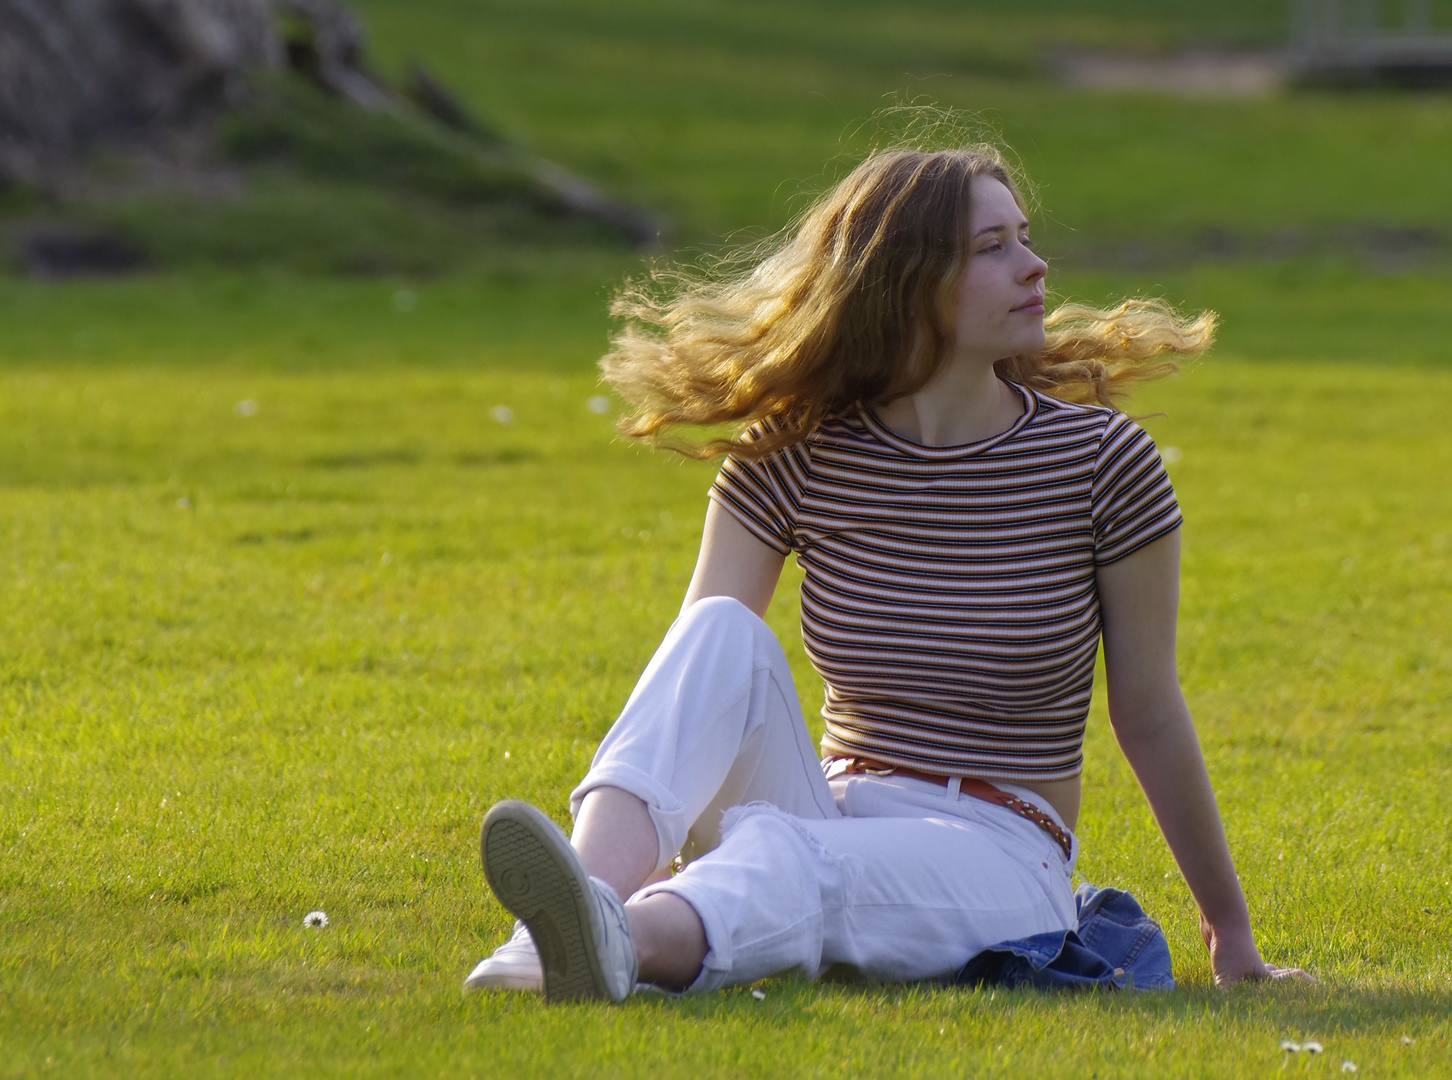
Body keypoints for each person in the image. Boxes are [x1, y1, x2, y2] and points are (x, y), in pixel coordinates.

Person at [463, 144, 1308, 1000]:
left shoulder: (1099, 464)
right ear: (907, 283)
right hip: (828, 799)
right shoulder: (797, 453)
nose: (1036, 264)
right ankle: (586, 900)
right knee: (718, 630)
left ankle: (611, 941)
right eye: (993, 247)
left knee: (791, 859)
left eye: (1025, 236)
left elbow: (1151, 712)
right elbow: (697, 688)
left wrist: (1231, 936)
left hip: (999, 849)